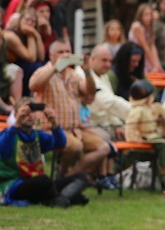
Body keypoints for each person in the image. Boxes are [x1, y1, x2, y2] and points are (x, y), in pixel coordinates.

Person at [28, 41, 110, 177]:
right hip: (52, 129)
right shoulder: (43, 71)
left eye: (67, 52)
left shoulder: (74, 75)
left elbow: (89, 93)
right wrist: (55, 68)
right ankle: (64, 173)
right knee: (76, 146)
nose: (65, 55)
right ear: (51, 55)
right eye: (61, 52)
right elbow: (33, 86)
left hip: (76, 129)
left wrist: (88, 72)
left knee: (104, 148)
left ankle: (68, 177)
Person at [0, 99, 90, 207]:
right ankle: (68, 198)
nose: (29, 116)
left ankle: (58, 199)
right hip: (16, 184)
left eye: (32, 113)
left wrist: (54, 124)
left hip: (39, 183)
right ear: (15, 115)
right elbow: (2, 150)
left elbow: (60, 143)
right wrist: (17, 123)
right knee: (44, 180)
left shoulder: (37, 135)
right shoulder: (9, 134)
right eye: (25, 113)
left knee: (82, 177)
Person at [125, 79, 165, 182]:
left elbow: (153, 123)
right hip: (145, 137)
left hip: (153, 135)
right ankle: (163, 172)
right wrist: (136, 138)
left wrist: (161, 122)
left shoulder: (149, 108)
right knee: (163, 145)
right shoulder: (137, 110)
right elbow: (130, 127)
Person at [87, 44, 130, 141]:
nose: (108, 65)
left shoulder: (103, 75)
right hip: (92, 126)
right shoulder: (84, 75)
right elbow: (109, 103)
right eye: (104, 60)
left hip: (108, 125)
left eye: (110, 61)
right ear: (92, 59)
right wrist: (136, 111)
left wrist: (117, 124)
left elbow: (111, 105)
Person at [4, 9, 45, 99]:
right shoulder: (11, 35)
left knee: (42, 65)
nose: (30, 24)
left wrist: (37, 36)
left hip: (26, 66)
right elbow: (31, 57)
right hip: (12, 65)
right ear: (20, 20)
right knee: (35, 66)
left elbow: (41, 56)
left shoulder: (31, 33)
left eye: (33, 22)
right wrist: (31, 35)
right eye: (27, 20)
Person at [129, 2, 164, 73]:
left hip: (146, 57)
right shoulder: (137, 26)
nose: (149, 18)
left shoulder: (149, 28)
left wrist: (158, 65)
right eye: (146, 15)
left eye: (150, 15)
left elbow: (152, 46)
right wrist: (154, 65)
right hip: (138, 56)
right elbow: (145, 46)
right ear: (140, 15)